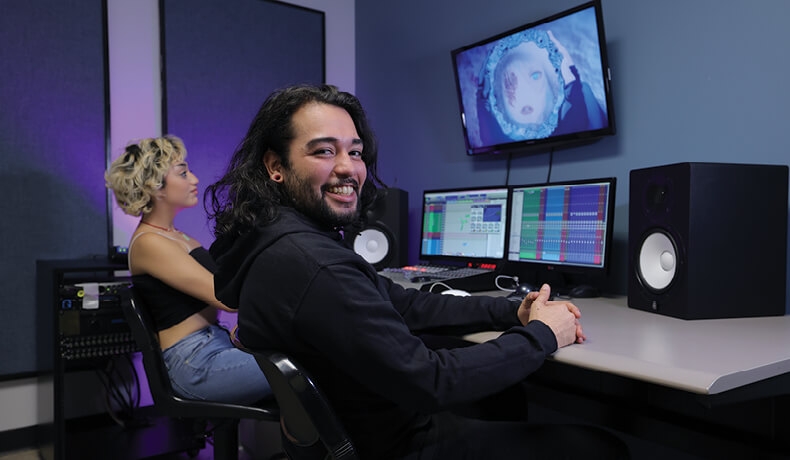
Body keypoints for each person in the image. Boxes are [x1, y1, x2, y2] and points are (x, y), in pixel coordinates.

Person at [205, 84, 628, 459]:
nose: (348, 168)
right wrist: (543, 334)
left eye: (354, 151)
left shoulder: (274, 244)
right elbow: (432, 381)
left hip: (350, 435)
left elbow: (402, 303)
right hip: (401, 445)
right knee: (604, 447)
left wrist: (512, 313)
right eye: (323, 151)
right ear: (275, 167)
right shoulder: (316, 266)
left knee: (503, 396)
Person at [105, 135, 272, 405]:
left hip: (213, 342)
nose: (194, 179)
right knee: (300, 370)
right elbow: (225, 297)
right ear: (155, 186)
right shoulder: (149, 242)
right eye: (183, 173)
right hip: (194, 362)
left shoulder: (177, 236)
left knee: (305, 358)